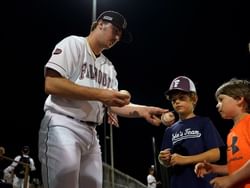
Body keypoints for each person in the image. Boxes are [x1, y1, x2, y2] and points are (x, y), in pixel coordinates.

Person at [38, 10, 168, 188]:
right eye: (115, 30)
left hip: (91, 133)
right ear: (100, 24)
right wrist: (102, 94)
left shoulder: (109, 67)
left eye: (120, 34)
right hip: (63, 124)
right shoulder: (74, 44)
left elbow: (113, 104)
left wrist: (143, 110)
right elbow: (52, 84)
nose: (117, 37)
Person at [158, 75, 225, 188]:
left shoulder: (204, 122)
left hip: (203, 183)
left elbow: (216, 154)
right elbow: (167, 161)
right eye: (174, 100)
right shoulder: (170, 130)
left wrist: (186, 160)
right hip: (178, 184)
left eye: (182, 98)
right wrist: (163, 159)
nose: (177, 102)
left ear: (194, 99)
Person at [194, 78, 250, 188]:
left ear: (239, 99)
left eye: (221, 99)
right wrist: (214, 168)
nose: (217, 105)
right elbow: (236, 166)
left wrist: (231, 179)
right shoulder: (231, 133)